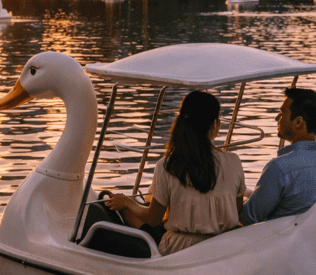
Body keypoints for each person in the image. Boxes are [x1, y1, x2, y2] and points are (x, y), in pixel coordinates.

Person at [105, 90, 245, 256]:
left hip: (179, 250)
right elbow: (237, 211)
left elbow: (153, 219)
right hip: (223, 246)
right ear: (215, 124)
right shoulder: (234, 161)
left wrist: (128, 202)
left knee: (122, 207)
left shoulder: (167, 165)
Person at [240, 87, 316, 226]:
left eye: (282, 113)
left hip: (281, 239)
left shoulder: (279, 168)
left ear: (298, 122)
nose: (277, 118)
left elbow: (248, 218)